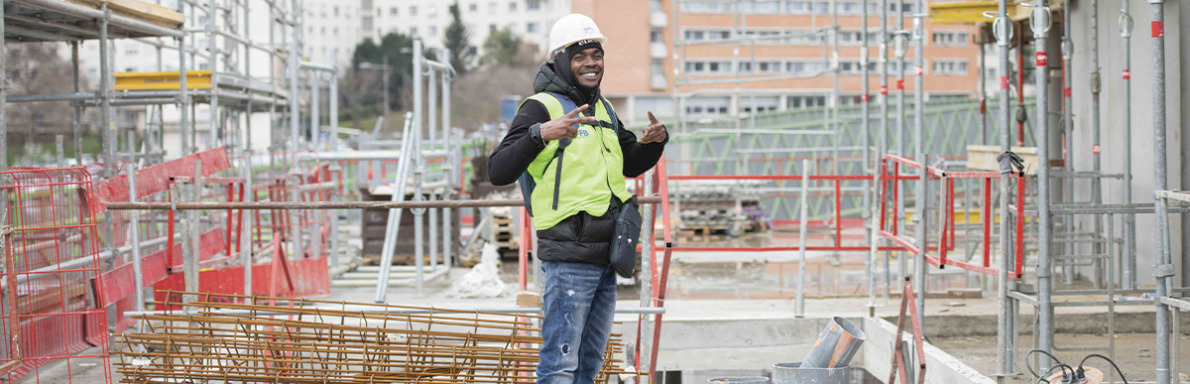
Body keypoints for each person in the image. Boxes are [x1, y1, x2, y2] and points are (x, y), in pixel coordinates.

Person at [487, 13, 668, 384]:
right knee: (559, 366)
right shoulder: (539, 108)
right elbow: (498, 170)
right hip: (569, 254)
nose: (591, 64)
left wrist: (655, 143)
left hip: (606, 253)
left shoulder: (603, 109)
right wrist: (541, 134)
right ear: (561, 61)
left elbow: (629, 164)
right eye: (580, 56)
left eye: (596, 55)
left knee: (588, 365)